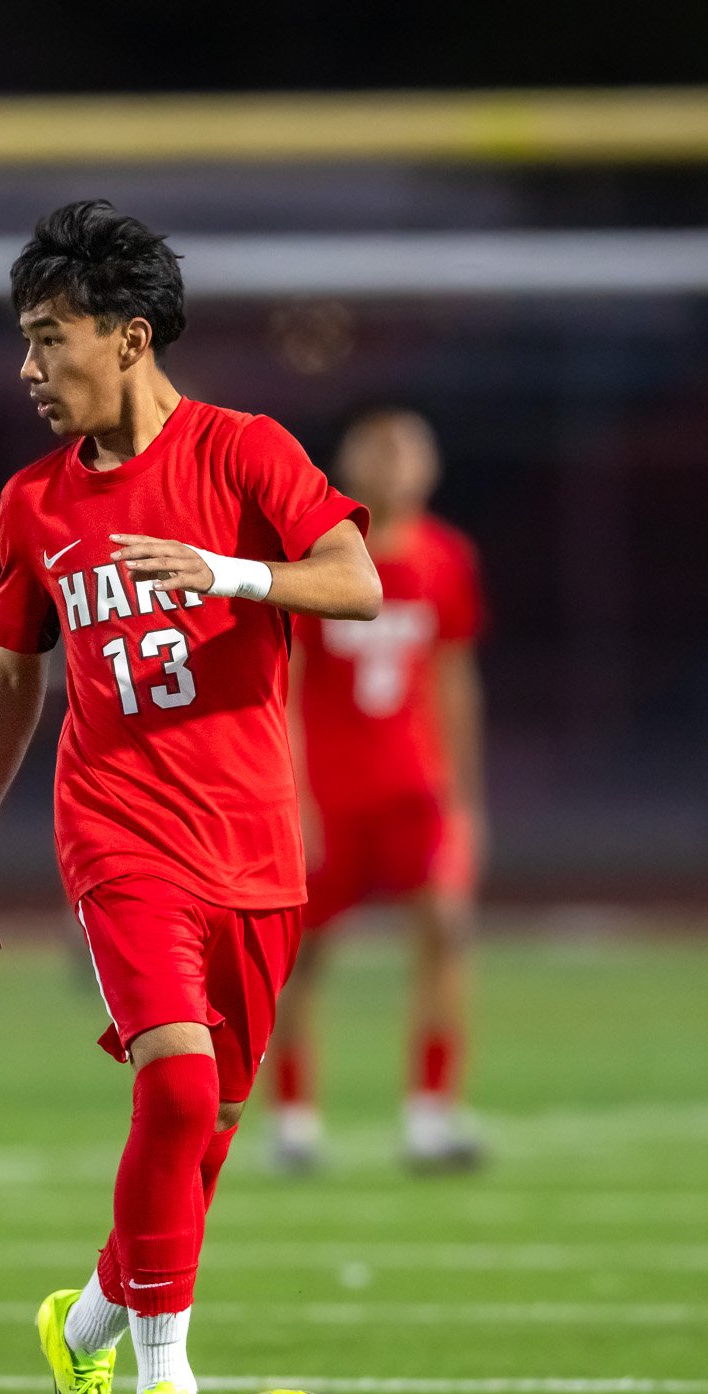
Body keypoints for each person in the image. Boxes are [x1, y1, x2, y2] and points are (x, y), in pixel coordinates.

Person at [0, 201, 380, 1394]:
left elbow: (356, 580)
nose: (29, 366)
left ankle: (80, 1327)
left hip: (252, 844)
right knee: (179, 1093)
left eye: (48, 337)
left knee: (204, 1138)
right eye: (25, 340)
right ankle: (168, 1383)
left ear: (128, 337)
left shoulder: (245, 452)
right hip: (118, 831)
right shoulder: (33, 502)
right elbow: (12, 673)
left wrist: (228, 574)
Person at [266, 408, 489, 1176]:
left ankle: (432, 1113)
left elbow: (455, 678)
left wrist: (466, 797)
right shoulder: (317, 554)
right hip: (331, 793)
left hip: (414, 787)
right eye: (380, 451)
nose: (395, 465)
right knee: (299, 958)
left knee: (447, 932)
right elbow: (283, 684)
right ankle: (293, 1118)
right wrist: (289, 795)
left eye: (408, 452)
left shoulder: (447, 558)